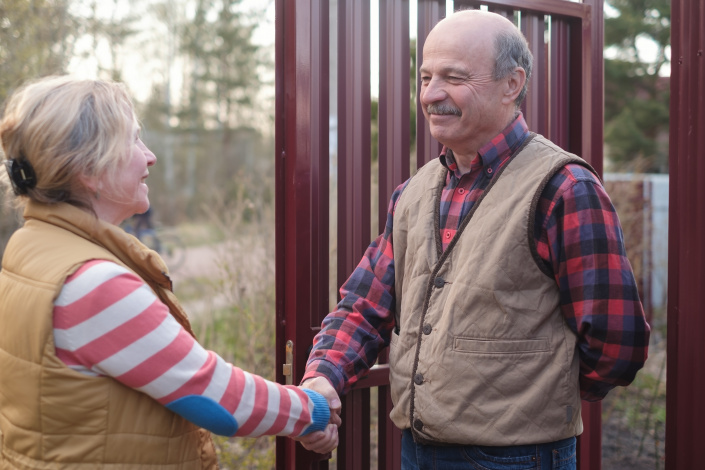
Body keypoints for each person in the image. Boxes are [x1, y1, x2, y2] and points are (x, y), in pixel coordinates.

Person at [296, 9, 650, 469]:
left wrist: (537, 391)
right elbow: (365, 305)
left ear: (512, 84)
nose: (431, 94)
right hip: (416, 450)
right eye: (425, 77)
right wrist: (323, 376)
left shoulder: (564, 188)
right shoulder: (414, 192)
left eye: (454, 77)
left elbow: (616, 344)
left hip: (519, 457)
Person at [0, 76, 337, 469]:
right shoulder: (93, 285)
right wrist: (313, 408)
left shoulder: (30, 246)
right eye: (132, 140)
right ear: (89, 170)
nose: (149, 156)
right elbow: (218, 399)